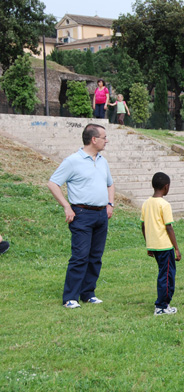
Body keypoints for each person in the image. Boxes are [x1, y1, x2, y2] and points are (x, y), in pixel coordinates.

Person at [47, 124, 115, 308]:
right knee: (80, 256)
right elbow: (53, 183)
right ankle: (70, 297)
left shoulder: (102, 160)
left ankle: (88, 293)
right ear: (94, 139)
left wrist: (110, 204)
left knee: (96, 256)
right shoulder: (72, 161)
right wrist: (67, 206)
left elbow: (110, 184)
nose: (106, 140)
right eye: (104, 137)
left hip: (101, 215)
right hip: (82, 215)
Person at [141, 172, 181, 316]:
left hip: (154, 245)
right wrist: (176, 248)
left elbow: (143, 226)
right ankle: (162, 306)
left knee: (163, 273)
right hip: (165, 246)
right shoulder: (164, 205)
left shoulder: (146, 203)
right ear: (166, 187)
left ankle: (164, 304)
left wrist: (149, 245)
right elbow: (168, 227)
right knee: (167, 275)